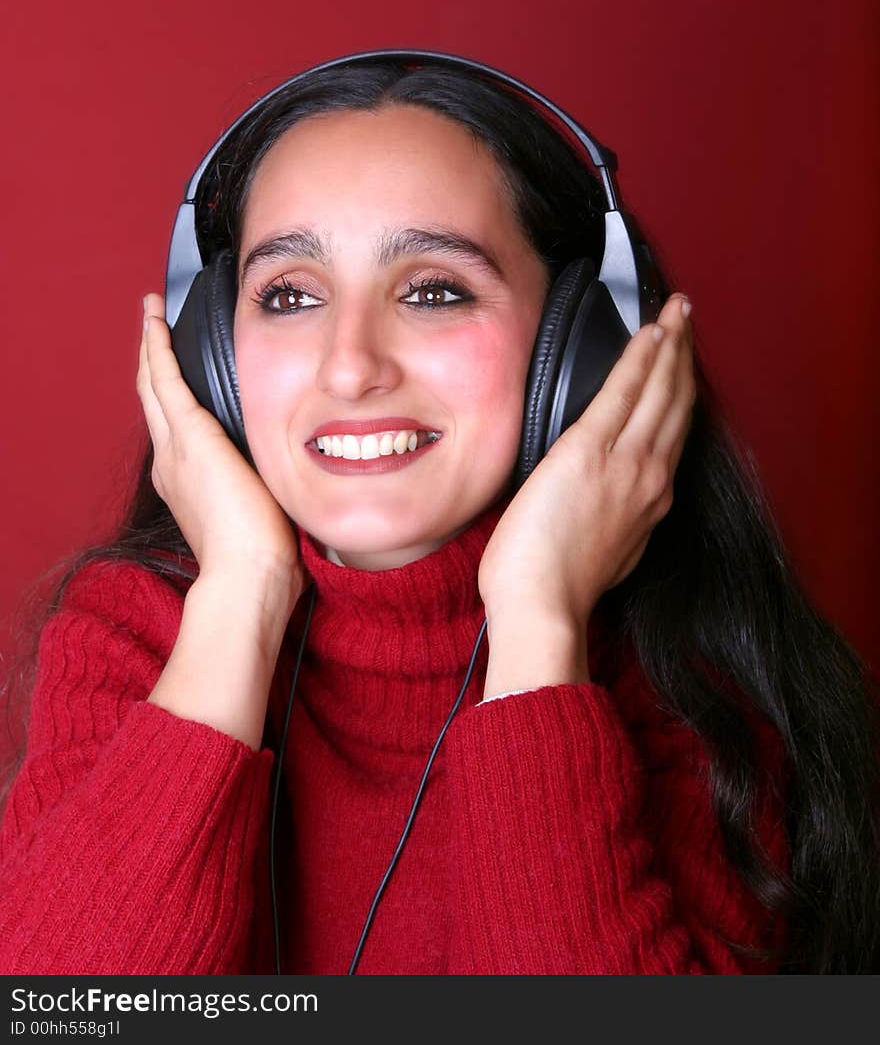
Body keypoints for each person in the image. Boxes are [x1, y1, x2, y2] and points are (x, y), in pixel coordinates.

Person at [1, 57, 878, 975]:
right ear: (210, 355)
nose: (350, 367)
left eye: (434, 291)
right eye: (291, 295)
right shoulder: (130, 642)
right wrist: (238, 601)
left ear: (580, 350)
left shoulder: (689, 687)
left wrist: (540, 626)